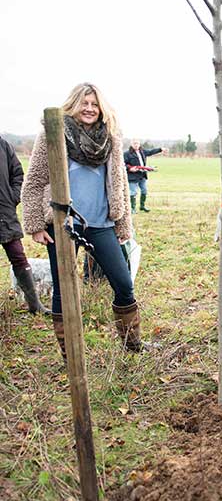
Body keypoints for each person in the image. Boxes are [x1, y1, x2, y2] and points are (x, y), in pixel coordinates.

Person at [22, 83, 145, 358]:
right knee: (64, 289)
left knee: (124, 283)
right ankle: (70, 353)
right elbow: (35, 179)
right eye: (84, 103)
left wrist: (123, 224)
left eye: (94, 104)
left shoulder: (110, 137)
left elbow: (120, 183)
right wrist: (35, 225)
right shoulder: (55, 134)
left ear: (101, 108)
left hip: (101, 224)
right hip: (63, 225)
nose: (89, 108)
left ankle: (132, 344)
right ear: (73, 105)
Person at [0, 135, 50, 314]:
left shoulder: (3, 145)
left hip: (4, 213)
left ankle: (35, 305)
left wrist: (11, 198)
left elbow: (18, 175)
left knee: (18, 257)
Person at [124, 139, 166, 213]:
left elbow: (151, 152)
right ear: (131, 144)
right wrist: (130, 168)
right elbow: (123, 164)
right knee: (133, 192)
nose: (136, 145)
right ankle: (132, 209)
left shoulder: (143, 152)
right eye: (134, 143)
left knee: (144, 191)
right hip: (133, 176)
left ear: (139, 144)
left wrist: (160, 149)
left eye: (137, 143)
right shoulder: (127, 154)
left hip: (142, 175)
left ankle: (142, 206)